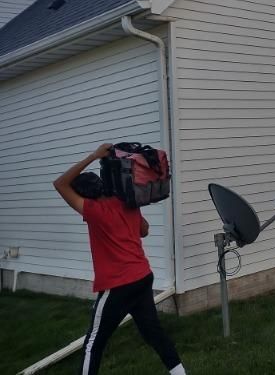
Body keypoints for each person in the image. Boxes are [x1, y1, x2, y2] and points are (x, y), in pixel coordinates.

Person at [53, 143, 187, 375]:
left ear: (84, 195)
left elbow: (60, 184)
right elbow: (144, 230)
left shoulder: (94, 211)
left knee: (93, 343)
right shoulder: (126, 202)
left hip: (118, 286)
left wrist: (93, 156)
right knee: (153, 332)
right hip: (143, 277)